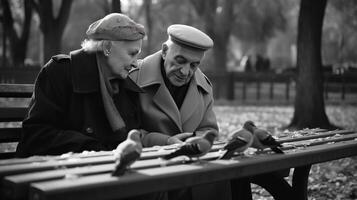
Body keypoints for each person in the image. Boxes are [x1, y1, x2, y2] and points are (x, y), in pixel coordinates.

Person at [16, 13, 145, 157]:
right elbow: (36, 135)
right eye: (132, 54)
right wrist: (92, 149)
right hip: (54, 171)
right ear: (107, 47)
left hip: (100, 171)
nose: (135, 63)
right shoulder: (59, 72)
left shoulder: (126, 88)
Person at [129, 24, 219, 147]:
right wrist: (165, 142)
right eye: (180, 61)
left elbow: (209, 131)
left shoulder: (204, 88)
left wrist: (196, 141)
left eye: (194, 65)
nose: (185, 72)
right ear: (165, 51)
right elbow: (124, 135)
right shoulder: (133, 78)